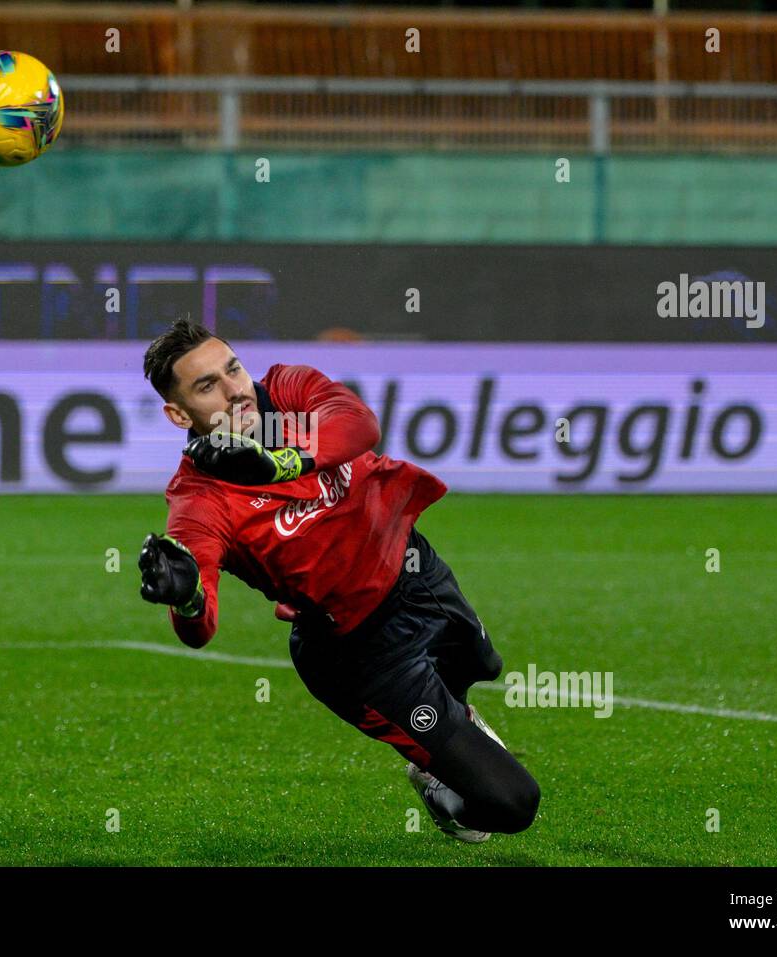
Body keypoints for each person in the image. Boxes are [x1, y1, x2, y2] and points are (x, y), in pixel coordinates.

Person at [137, 319, 540, 842]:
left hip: (418, 574)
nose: (236, 389)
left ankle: (447, 734)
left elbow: (359, 424)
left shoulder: (286, 391)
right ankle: (435, 781)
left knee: (481, 664)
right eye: (207, 386)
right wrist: (188, 597)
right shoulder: (199, 499)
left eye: (232, 368)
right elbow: (199, 628)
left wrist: (280, 462)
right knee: (511, 805)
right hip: (361, 652)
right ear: (178, 413)